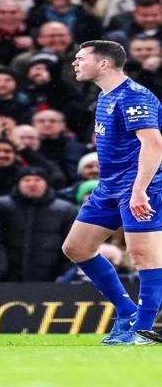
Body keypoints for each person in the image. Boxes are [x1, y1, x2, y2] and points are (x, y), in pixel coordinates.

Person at [62, 40, 162, 345]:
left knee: (143, 255)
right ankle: (127, 311)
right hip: (109, 186)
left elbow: (154, 144)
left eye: (81, 58)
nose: (75, 63)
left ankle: (143, 331)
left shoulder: (134, 96)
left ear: (103, 63)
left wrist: (140, 190)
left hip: (141, 186)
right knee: (77, 248)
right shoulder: (106, 96)